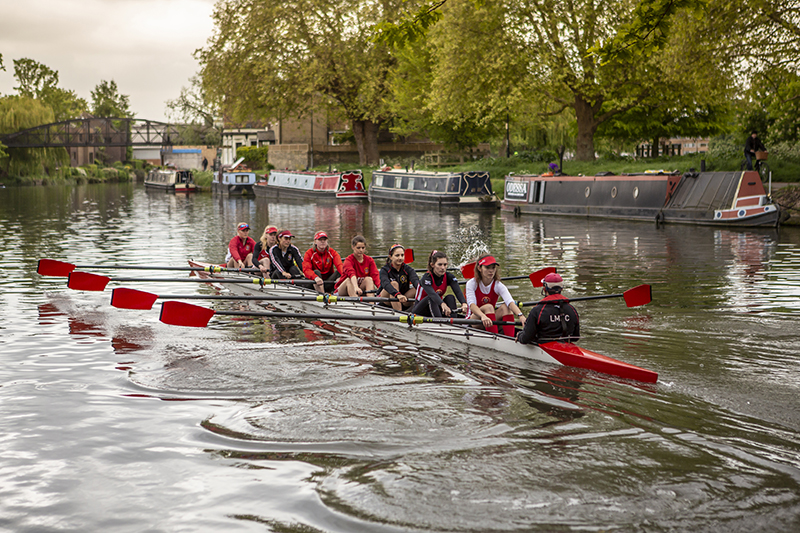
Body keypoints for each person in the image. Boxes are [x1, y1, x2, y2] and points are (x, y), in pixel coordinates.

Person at [465, 255, 526, 337]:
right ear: (479, 268)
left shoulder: (498, 285)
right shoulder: (472, 283)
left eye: (493, 268)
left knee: (506, 307)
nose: (491, 271)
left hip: (490, 319)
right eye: (487, 267)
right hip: (474, 320)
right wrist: (483, 316)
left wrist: (520, 315)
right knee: (488, 307)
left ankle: (510, 338)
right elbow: (472, 306)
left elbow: (510, 302)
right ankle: (495, 338)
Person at [516, 273, 580, 344]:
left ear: (544, 289)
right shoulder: (572, 310)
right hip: (566, 346)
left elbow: (525, 339)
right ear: (561, 289)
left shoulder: (537, 311)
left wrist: (519, 335)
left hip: (543, 347)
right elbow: (575, 337)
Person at [411, 250, 468, 317]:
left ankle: (453, 321)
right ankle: (440, 322)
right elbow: (432, 294)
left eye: (445, 265)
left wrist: (464, 303)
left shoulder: (449, 277)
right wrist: (442, 304)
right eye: (440, 264)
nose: (443, 268)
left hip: (437, 307)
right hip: (420, 310)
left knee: (450, 297)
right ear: (432, 265)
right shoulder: (426, 278)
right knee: (431, 298)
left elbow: (458, 291)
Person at [378, 244, 420, 311]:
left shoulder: (408, 269)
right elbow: (385, 284)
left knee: (418, 288)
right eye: (397, 255)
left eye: (402, 255)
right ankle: (399, 315)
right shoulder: (384, 270)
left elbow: (415, 281)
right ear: (390, 257)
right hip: (386, 300)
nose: (400, 258)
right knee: (394, 284)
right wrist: (397, 294)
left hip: (403, 299)